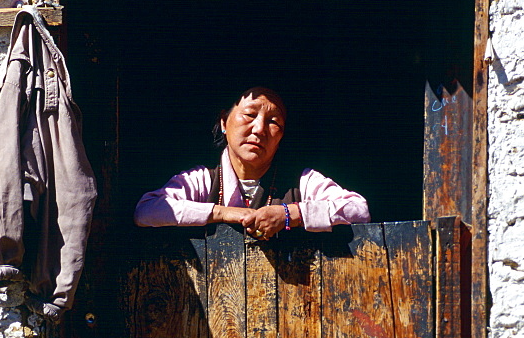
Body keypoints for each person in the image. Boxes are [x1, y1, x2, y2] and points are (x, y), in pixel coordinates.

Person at [134, 86, 370, 239]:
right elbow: (147, 211)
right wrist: (224, 213)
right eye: (249, 115)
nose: (259, 129)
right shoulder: (203, 180)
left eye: (273, 121)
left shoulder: (302, 182)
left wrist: (290, 214)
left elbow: (358, 209)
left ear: (282, 136)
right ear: (224, 122)